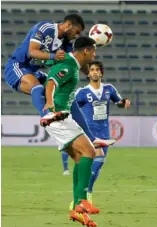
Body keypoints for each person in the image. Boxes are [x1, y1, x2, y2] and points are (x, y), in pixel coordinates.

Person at [4, 14, 115, 148]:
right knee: (38, 88)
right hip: (17, 66)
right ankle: (47, 116)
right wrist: (52, 56)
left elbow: (77, 61)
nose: (76, 36)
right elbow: (31, 51)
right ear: (68, 25)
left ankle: (92, 138)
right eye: (77, 32)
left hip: (33, 72)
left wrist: (91, 73)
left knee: (69, 96)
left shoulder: (66, 44)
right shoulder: (45, 28)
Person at [42, 36, 101, 226]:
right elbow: (51, 82)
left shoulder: (73, 65)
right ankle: (82, 200)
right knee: (90, 151)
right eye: (93, 50)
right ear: (86, 51)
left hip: (63, 116)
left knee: (79, 159)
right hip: (58, 116)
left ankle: (78, 210)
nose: (95, 54)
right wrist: (50, 102)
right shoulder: (68, 64)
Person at [62, 61, 130, 203]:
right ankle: (83, 194)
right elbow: (71, 106)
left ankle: (87, 192)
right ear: (88, 73)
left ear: (101, 73)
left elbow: (119, 102)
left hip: (104, 131)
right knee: (97, 159)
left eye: (97, 70)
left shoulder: (109, 89)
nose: (94, 72)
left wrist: (125, 102)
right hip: (89, 132)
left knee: (98, 164)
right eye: (92, 69)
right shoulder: (82, 92)